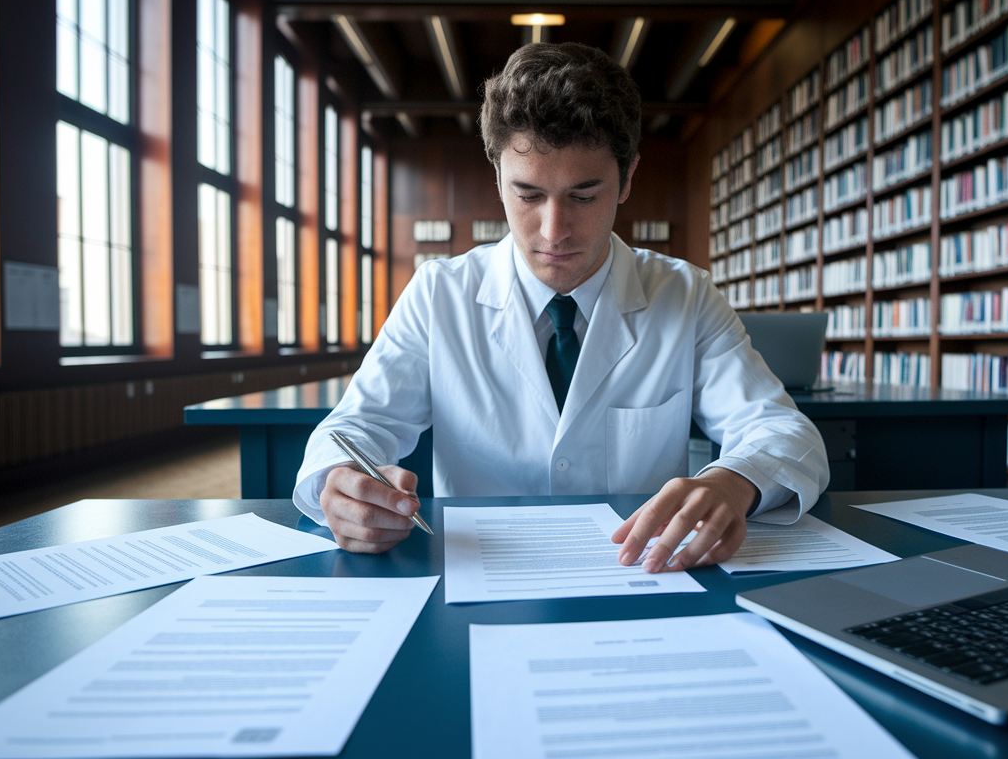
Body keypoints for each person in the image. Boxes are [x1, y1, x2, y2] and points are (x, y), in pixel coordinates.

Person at [294, 42, 828, 572]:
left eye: (584, 195)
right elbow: (352, 429)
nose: (554, 231)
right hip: (479, 576)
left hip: (640, 577)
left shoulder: (684, 295)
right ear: (497, 177)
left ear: (628, 178)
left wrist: (733, 482)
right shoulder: (439, 293)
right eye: (528, 195)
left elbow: (783, 432)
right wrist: (340, 484)